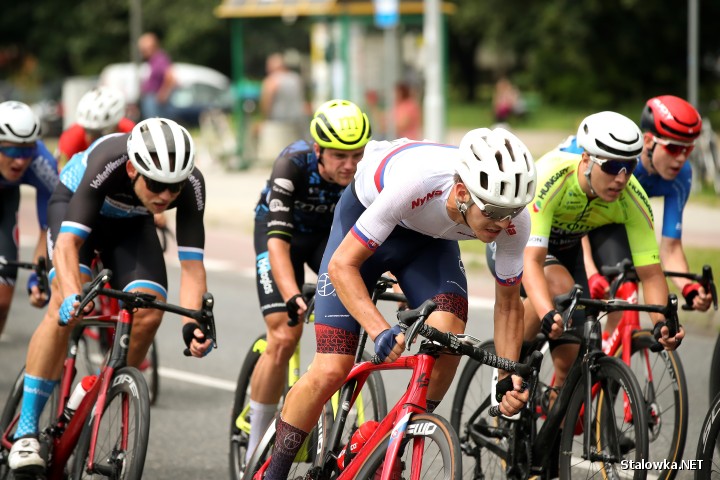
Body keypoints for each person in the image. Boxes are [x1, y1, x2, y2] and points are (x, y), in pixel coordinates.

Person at [262, 127, 537, 479]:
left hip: (428, 245)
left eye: (512, 211)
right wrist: (378, 329)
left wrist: (506, 375)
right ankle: (273, 474)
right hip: (367, 219)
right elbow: (341, 265)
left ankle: (386, 450)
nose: (503, 222)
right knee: (333, 367)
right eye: (495, 211)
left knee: (448, 337)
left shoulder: (514, 220)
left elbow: (509, 304)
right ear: (462, 193)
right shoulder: (418, 181)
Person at [8, 117, 213, 475]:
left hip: (132, 224)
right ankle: (26, 429)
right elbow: (69, 244)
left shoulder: (192, 184)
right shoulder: (109, 160)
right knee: (64, 306)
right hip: (74, 209)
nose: (166, 196)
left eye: (174, 187)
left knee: (148, 308)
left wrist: (193, 324)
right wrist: (72, 295)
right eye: (156, 184)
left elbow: (193, 268)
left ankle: (106, 389)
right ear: (134, 169)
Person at [522, 111, 684, 407]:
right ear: (586, 160)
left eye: (629, 167)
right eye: (611, 166)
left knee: (570, 365)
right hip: (521, 246)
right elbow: (531, 262)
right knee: (557, 284)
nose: (621, 178)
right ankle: (509, 367)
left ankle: (550, 434)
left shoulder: (632, 198)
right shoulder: (551, 177)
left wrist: (662, 322)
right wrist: (547, 312)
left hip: (566, 252)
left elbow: (650, 273)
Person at [245, 99, 372, 461]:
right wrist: (291, 295)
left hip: (326, 240)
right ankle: (256, 445)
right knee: (285, 333)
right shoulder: (292, 164)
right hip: (282, 237)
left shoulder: (367, 171)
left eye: (357, 154)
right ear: (317, 149)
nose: (350, 165)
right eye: (339, 156)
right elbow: (277, 243)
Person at [582, 96, 713, 338]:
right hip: (577, 222)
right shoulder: (620, 159)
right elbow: (574, 217)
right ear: (649, 141)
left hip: (621, 224)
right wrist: (589, 269)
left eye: (688, 149)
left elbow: (671, 248)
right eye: (674, 148)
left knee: (630, 286)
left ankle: (608, 365)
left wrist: (689, 288)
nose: (682, 158)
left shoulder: (681, 175)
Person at [0, 101, 58, 338]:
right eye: (12, 151)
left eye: (27, 151)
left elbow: (50, 225)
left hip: (5, 203)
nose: (20, 160)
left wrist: (39, 273)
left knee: (2, 302)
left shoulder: (41, 162)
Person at [56, 86, 135, 170]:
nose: (91, 137)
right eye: (87, 130)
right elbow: (64, 177)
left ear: (116, 126)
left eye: (98, 132)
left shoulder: (128, 131)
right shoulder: (71, 139)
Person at [258, 52, 307, 140]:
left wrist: (264, 119)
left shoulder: (271, 80)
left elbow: (266, 101)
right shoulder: (296, 78)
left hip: (278, 122)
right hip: (298, 120)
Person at [138, 32, 176, 120]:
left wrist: (163, 93)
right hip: (151, 98)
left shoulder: (160, 58)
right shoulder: (152, 60)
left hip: (154, 98)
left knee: (154, 125)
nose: (142, 51)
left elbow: (170, 76)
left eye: (144, 49)